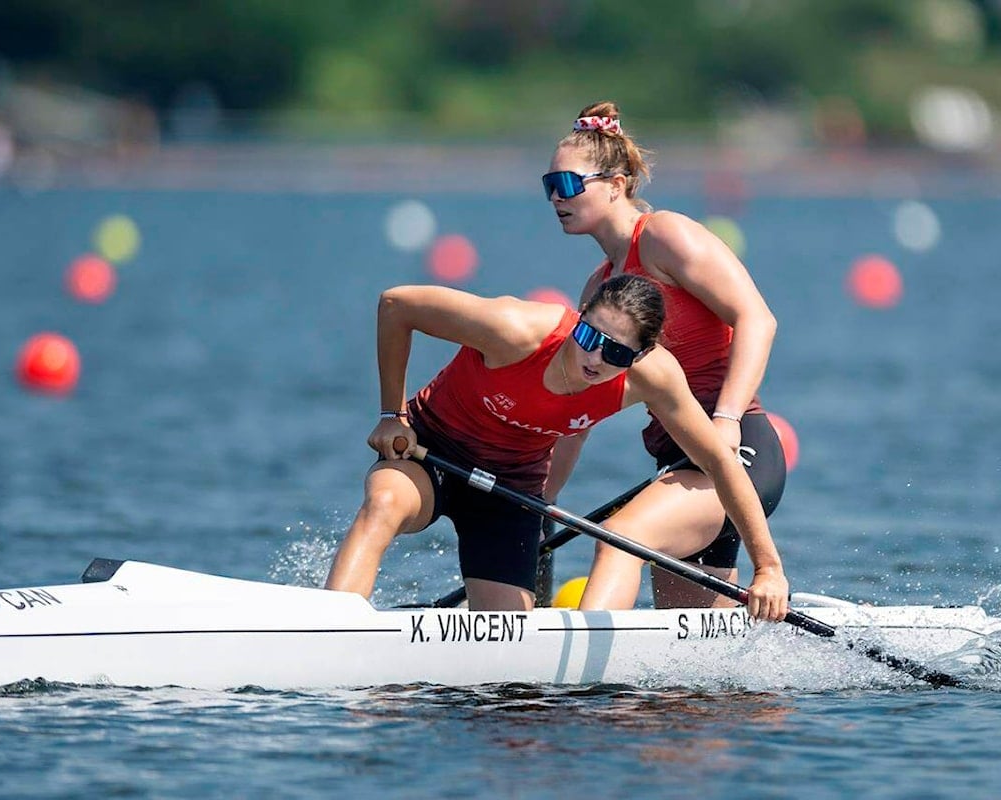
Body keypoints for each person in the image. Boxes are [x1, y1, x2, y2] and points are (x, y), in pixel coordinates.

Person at [325, 274, 790, 620]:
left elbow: (719, 463)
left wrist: (768, 568)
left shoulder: (654, 377)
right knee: (385, 502)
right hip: (431, 454)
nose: (595, 358)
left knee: (507, 645)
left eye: (617, 354)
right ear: (579, 317)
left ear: (641, 357)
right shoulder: (515, 329)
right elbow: (396, 305)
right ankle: (330, 628)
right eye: (590, 337)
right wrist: (392, 415)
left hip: (509, 489)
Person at [542, 101, 787, 612]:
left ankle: (584, 688)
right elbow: (579, 413)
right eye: (549, 186)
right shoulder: (599, 289)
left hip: (735, 455)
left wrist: (726, 420)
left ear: (615, 184)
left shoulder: (663, 236)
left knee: (619, 537)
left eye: (567, 185)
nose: (555, 198)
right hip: (673, 464)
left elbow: (757, 319)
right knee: (690, 666)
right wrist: (542, 495)